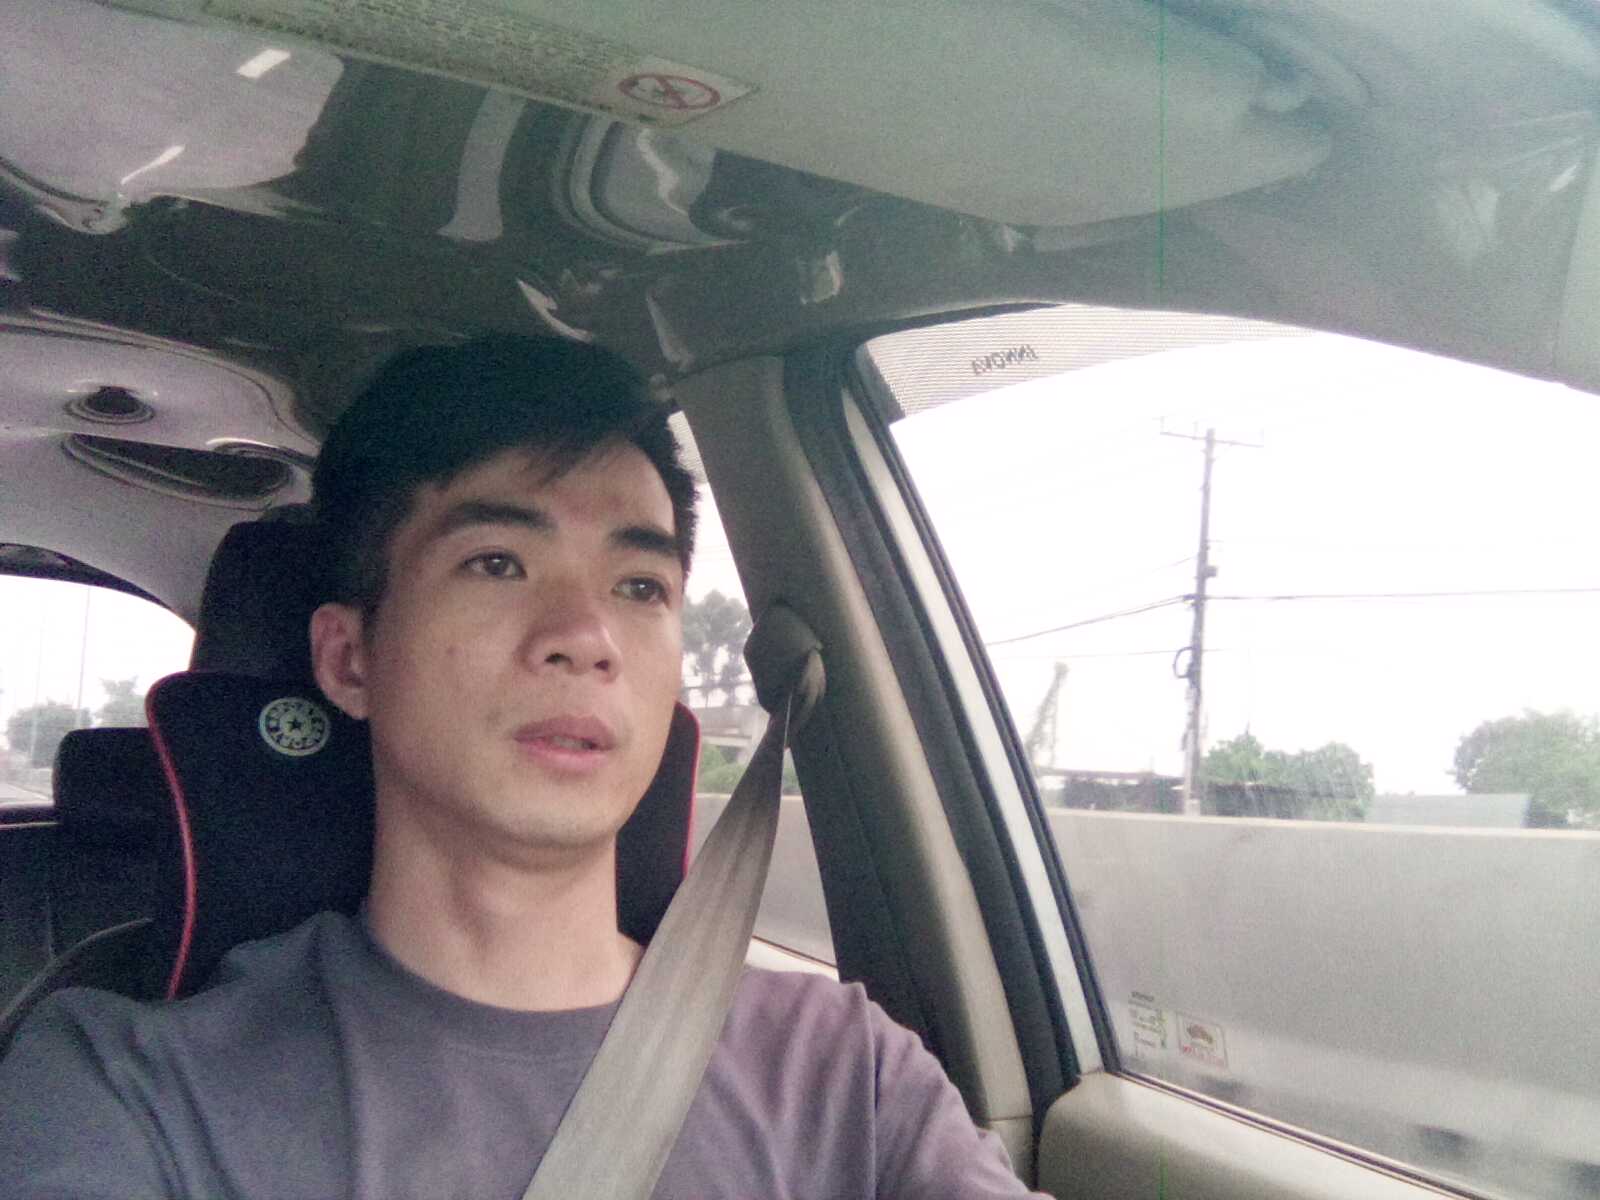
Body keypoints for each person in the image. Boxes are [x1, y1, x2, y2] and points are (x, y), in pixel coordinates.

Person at [0, 335, 1042, 1198]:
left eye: (640, 587)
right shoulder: (133, 1094)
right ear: (350, 659)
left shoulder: (847, 1075)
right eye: (497, 563)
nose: (586, 636)